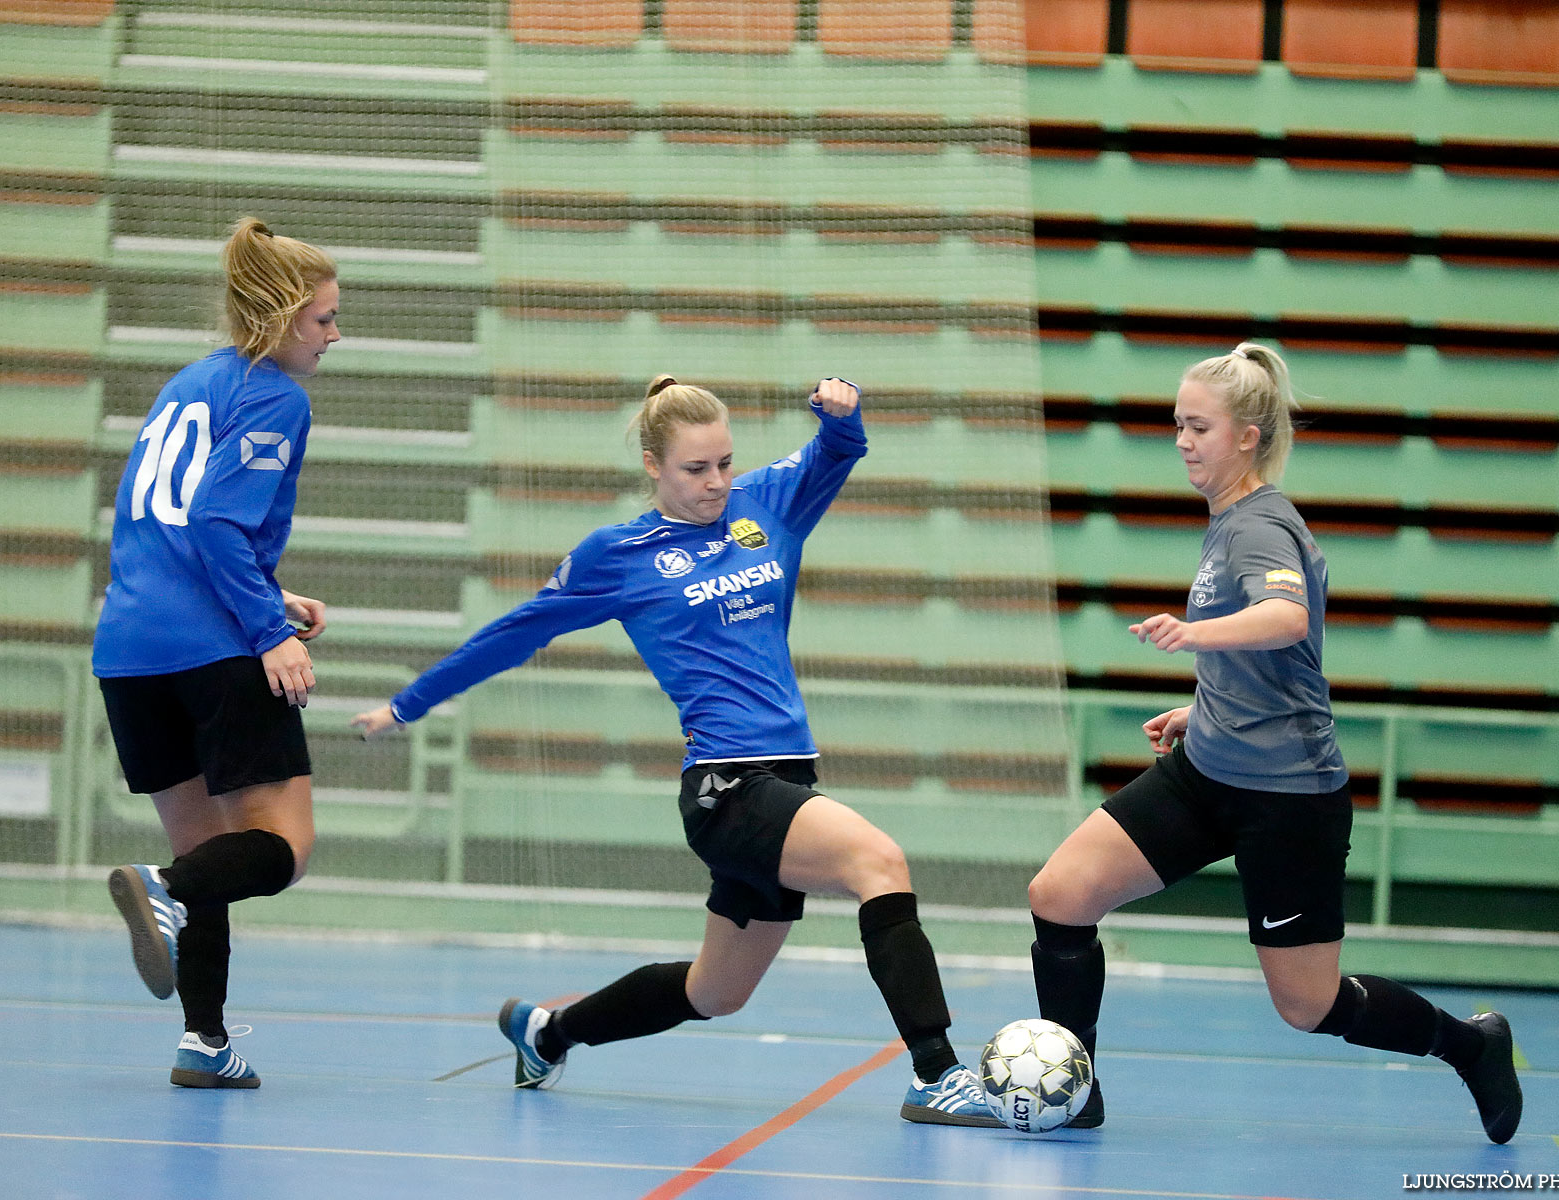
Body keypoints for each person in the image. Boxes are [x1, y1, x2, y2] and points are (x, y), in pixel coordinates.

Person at [351, 375, 1002, 1126]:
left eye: (725, 463)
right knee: (878, 863)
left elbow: (836, 452)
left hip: (788, 775)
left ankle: (547, 1032)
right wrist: (409, 704)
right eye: (697, 469)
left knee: (714, 993)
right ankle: (935, 1073)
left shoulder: (765, 503)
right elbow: (518, 630)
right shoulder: (619, 554)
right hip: (726, 789)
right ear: (654, 465)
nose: (717, 481)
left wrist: (843, 411)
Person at [1027, 343, 1523, 1142]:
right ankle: (1075, 1092)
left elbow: (1286, 619)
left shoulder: (1260, 525)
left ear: (1248, 437)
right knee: (1060, 894)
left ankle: (1471, 1047)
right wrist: (1206, 706)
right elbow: (1275, 655)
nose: (1183, 440)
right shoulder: (1227, 520)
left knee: (1309, 1005)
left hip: (1288, 797)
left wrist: (1191, 635)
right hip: (1207, 770)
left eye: (1199, 427)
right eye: (1177, 425)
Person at [95, 217, 340, 1089]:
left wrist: (270, 594)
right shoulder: (276, 395)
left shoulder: (188, 384)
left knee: (209, 859)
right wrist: (269, 632)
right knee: (282, 848)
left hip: (129, 653)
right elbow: (215, 521)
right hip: (215, 655)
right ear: (277, 319)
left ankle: (205, 1042)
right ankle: (160, 885)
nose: (334, 335)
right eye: (323, 319)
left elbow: (161, 525)